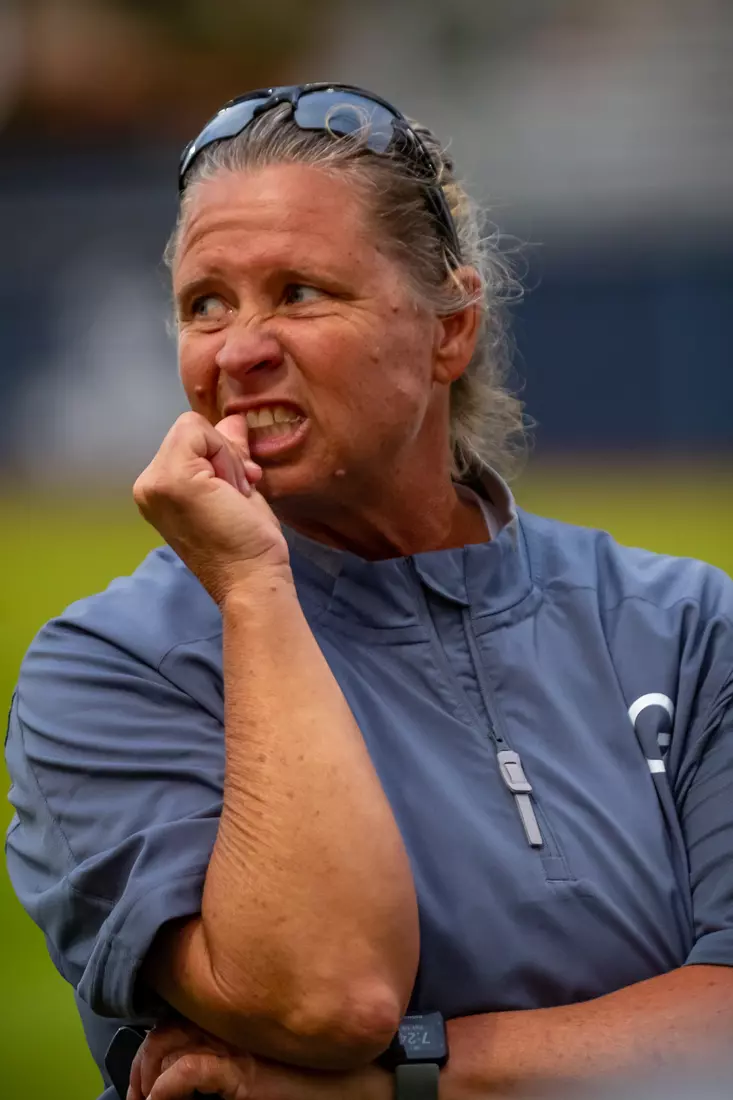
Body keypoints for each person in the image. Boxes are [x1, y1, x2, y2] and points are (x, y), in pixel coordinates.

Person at [5, 83, 733, 1100]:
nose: (239, 348)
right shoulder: (112, 667)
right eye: (203, 303)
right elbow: (330, 990)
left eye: (299, 291)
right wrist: (255, 588)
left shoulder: (687, 627)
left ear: (450, 329)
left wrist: (399, 1079)